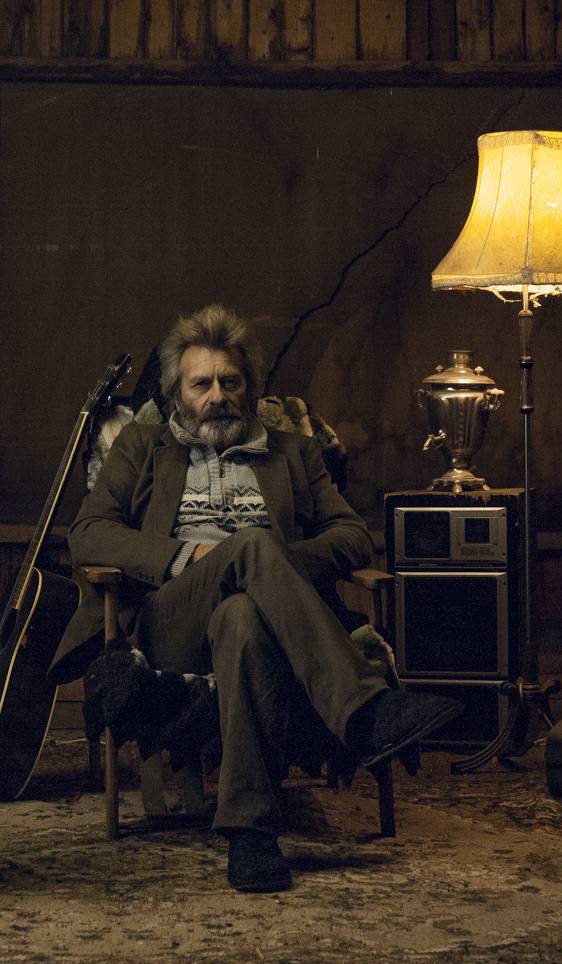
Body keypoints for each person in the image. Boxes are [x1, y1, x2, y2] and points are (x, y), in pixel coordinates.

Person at [49, 303, 461, 893]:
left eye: (230, 382)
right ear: (177, 393)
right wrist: (186, 557)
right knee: (250, 546)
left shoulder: (293, 452)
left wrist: (272, 566)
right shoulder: (143, 445)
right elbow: (88, 532)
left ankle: (250, 835)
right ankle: (364, 711)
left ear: (250, 388)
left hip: (266, 624)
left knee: (243, 614)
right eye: (202, 384)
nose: (217, 396)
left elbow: (352, 537)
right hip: (171, 619)